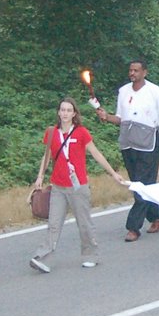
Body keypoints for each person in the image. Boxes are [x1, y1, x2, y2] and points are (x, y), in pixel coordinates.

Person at [96, 59, 159, 241]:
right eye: (130, 70)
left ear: (145, 73)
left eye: (136, 70)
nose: (132, 73)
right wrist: (107, 117)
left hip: (149, 143)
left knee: (141, 185)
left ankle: (133, 227)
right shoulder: (123, 91)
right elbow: (120, 118)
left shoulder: (155, 92)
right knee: (139, 184)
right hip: (128, 142)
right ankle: (156, 216)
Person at [29, 97, 127, 273]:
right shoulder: (52, 132)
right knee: (54, 223)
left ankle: (91, 255)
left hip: (78, 186)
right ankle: (43, 257)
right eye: (62, 110)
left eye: (68, 110)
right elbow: (47, 156)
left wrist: (113, 173)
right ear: (58, 113)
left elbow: (96, 154)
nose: (65, 113)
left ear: (74, 114)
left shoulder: (81, 132)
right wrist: (40, 176)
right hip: (58, 186)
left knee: (84, 223)